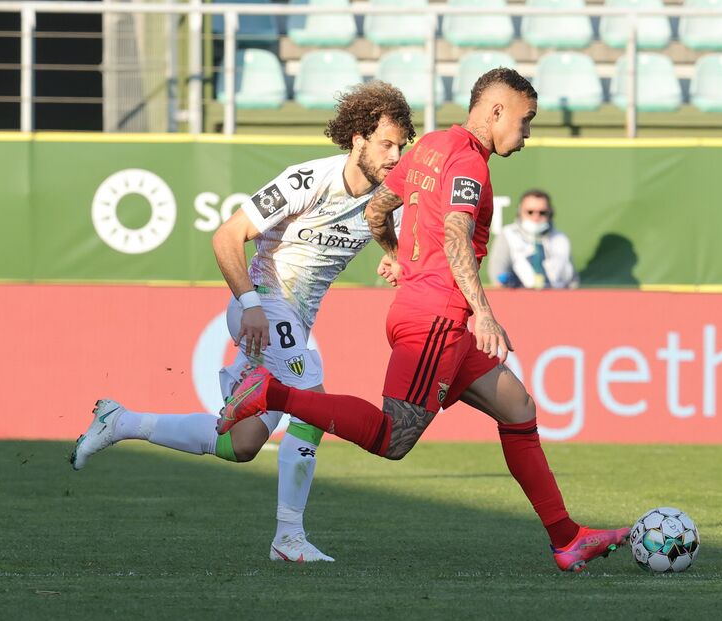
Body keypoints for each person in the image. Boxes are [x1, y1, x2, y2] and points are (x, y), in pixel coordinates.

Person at [220, 68, 630, 572]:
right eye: (525, 122)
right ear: (496, 111)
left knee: (519, 409)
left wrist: (400, 256)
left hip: (431, 314)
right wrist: (484, 313)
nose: (526, 135)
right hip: (438, 317)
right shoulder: (470, 165)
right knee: (394, 439)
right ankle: (269, 394)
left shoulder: (432, 145)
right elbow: (457, 235)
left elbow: (378, 210)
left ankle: (566, 539)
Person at [70, 82, 416, 563]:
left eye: (402, 146)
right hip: (263, 306)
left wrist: (394, 257)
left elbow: (379, 224)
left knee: (242, 443)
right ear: (358, 138)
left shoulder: (384, 197)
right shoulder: (308, 180)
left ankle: (121, 421)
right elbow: (227, 236)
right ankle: (288, 538)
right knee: (313, 401)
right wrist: (251, 302)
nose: (395, 155)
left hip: (291, 323)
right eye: (386, 143)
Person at [487, 189, 577, 289]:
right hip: (521, 299)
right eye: (530, 212)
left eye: (542, 213)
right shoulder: (508, 235)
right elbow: (497, 276)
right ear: (520, 212)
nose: (536, 217)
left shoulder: (561, 239)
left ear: (550, 213)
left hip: (557, 298)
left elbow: (572, 280)